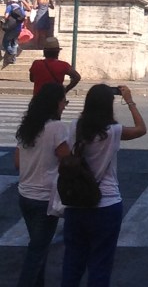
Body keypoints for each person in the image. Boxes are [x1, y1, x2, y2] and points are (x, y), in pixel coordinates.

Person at [60, 83, 147, 287]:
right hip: (106, 204)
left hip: (76, 202)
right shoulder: (113, 131)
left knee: (72, 262)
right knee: (100, 264)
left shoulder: (74, 126)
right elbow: (141, 129)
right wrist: (129, 101)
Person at [14, 83, 71, 287]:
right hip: (45, 198)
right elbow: (66, 158)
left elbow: (18, 162)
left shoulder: (27, 126)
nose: (65, 105)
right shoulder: (57, 127)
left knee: (39, 247)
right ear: (56, 103)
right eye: (64, 101)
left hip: (25, 195)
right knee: (37, 250)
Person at [3, 0, 30, 66]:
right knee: (14, 42)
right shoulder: (20, 9)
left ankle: (11, 53)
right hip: (18, 27)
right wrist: (24, 26)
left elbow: (6, 16)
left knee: (5, 41)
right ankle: (13, 59)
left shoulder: (10, 7)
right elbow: (25, 18)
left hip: (10, 27)